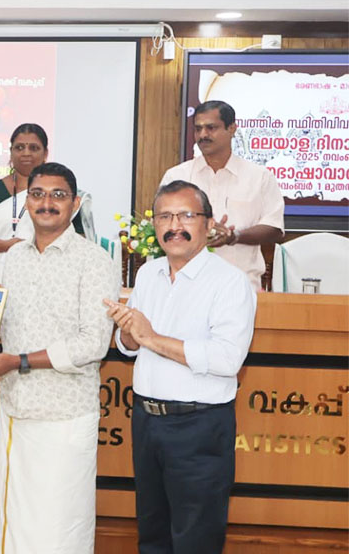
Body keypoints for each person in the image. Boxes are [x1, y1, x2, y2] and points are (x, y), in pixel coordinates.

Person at [0, 162, 119, 553]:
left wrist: (18, 361)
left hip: (64, 415)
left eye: (58, 195)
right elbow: (9, 325)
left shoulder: (95, 261)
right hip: (16, 408)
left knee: (59, 527)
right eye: (37, 194)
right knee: (14, 521)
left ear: (75, 204)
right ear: (25, 204)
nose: (47, 203)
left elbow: (93, 344)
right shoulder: (15, 258)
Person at [105, 180, 256, 554]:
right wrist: (126, 334)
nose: (175, 225)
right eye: (165, 216)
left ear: (207, 225)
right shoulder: (148, 274)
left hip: (198, 427)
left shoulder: (230, 283)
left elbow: (226, 360)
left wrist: (151, 337)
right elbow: (131, 347)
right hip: (146, 421)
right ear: (154, 226)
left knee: (195, 539)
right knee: (152, 535)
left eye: (187, 215)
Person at [161, 100, 284, 289]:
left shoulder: (259, 177)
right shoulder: (177, 176)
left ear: (232, 128)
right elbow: (161, 223)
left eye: (211, 128)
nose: (203, 135)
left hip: (241, 286)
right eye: (198, 129)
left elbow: (274, 228)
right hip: (185, 287)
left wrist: (233, 236)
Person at [0, 123, 96, 284]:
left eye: (34, 148)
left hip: (49, 281)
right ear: (11, 152)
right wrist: (9, 245)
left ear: (45, 153)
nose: (26, 153)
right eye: (19, 147)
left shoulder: (62, 195)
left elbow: (79, 240)